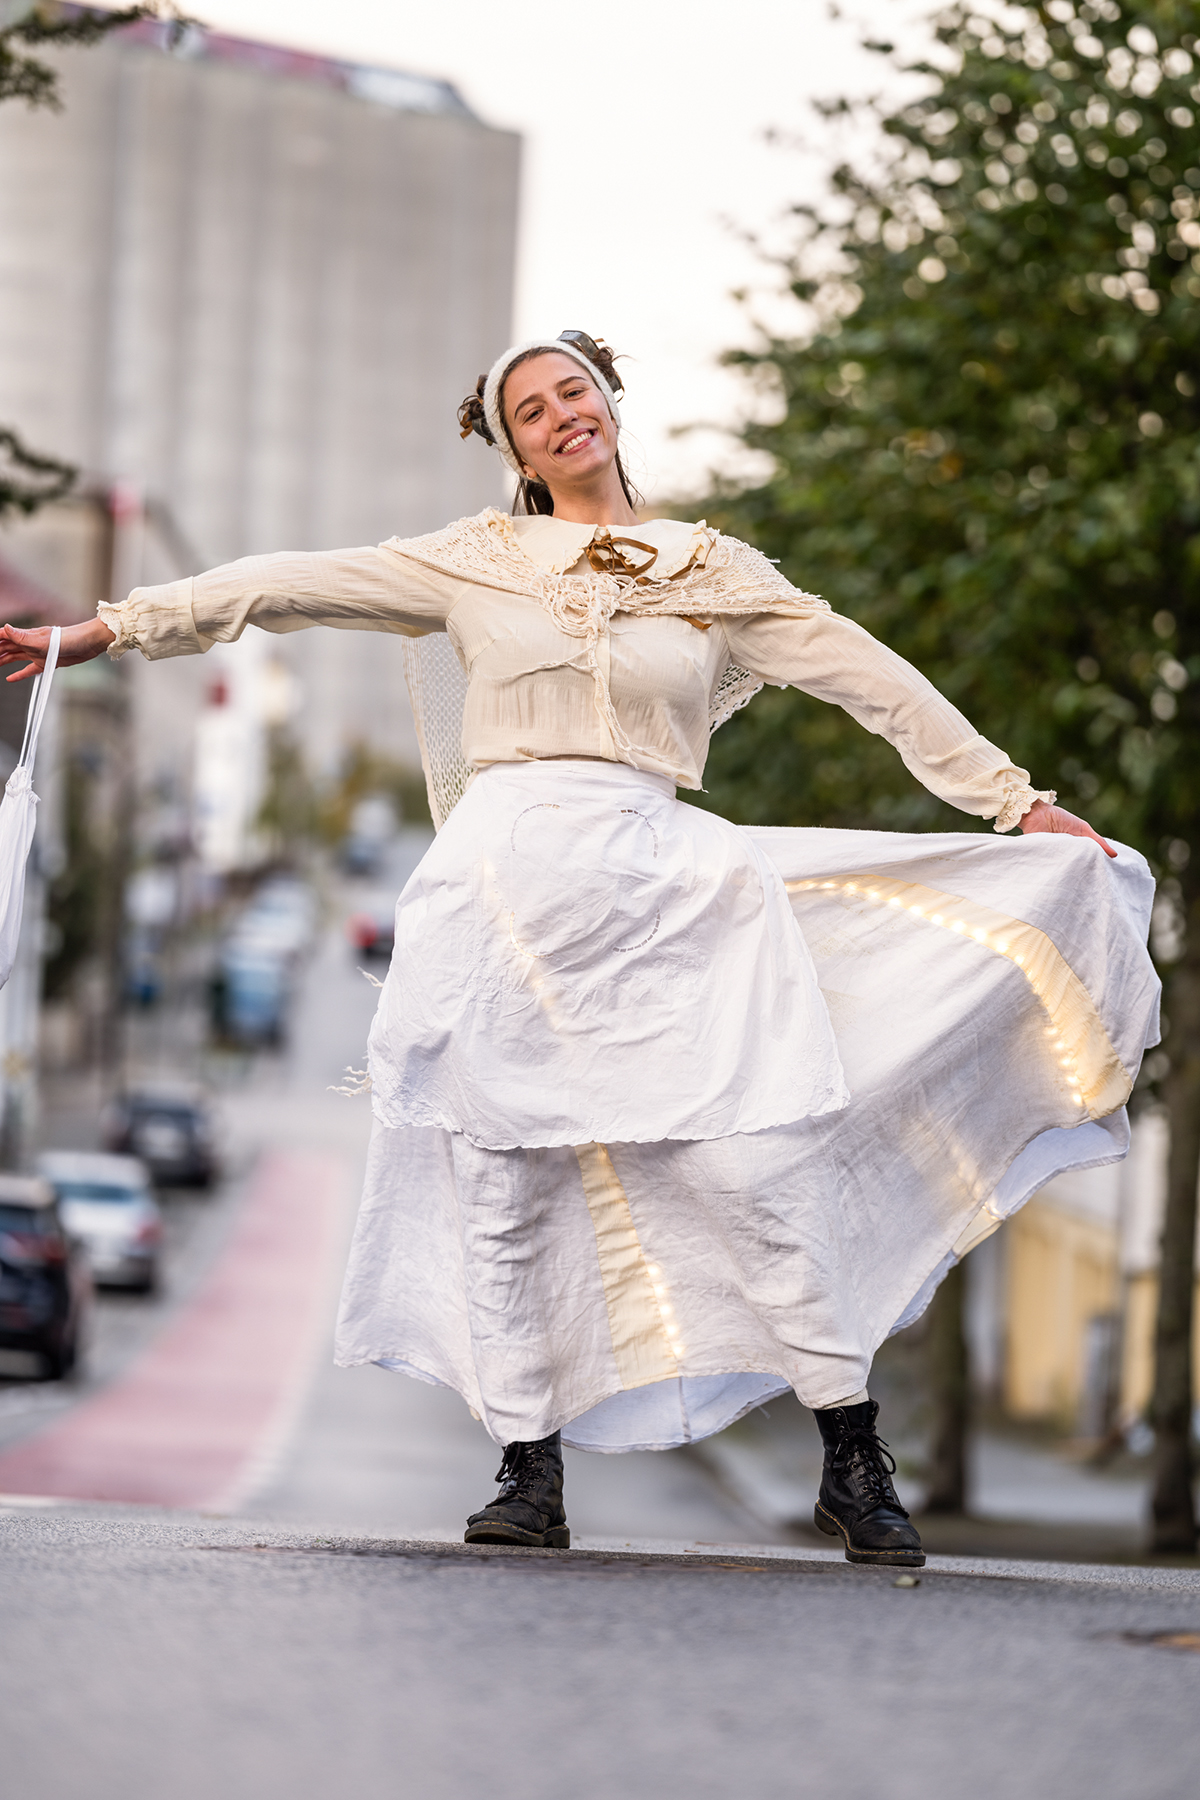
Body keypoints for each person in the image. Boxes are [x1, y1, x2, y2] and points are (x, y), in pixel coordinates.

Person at [0, 331, 1158, 1568]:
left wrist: (1011, 800)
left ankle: (850, 1454)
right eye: (532, 409)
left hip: (665, 887)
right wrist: (111, 628)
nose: (562, 415)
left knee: (750, 1177)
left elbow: (870, 678)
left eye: (575, 393)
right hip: (503, 891)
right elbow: (284, 584)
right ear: (513, 447)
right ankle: (527, 1468)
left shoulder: (712, 570)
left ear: (609, 404)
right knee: (505, 1193)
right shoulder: (473, 560)